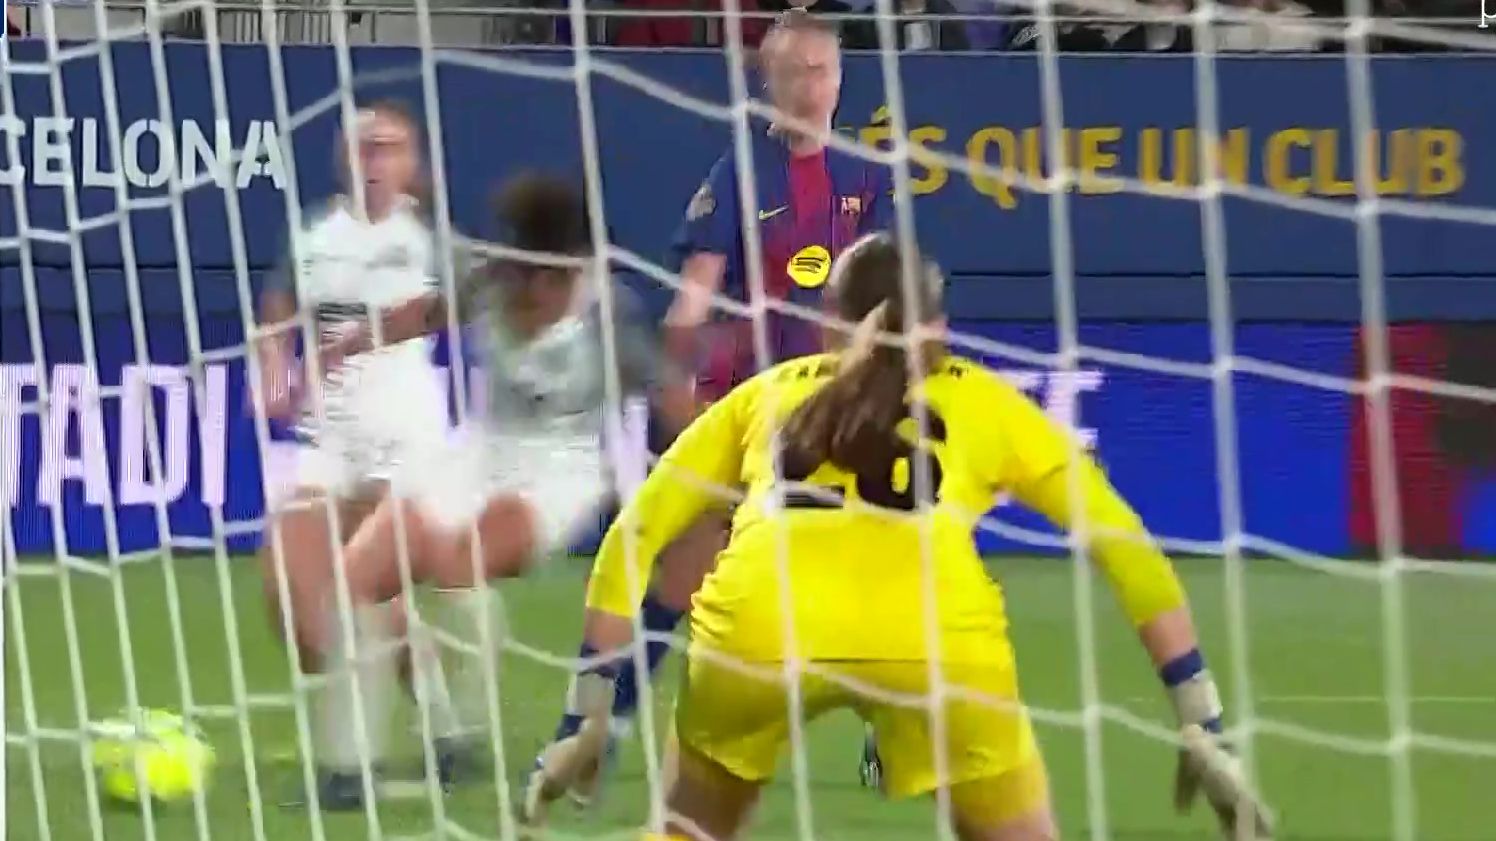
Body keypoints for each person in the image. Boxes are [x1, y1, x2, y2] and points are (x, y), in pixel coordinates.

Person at [560, 233, 1274, 840]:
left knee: (686, 830)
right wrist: (1200, 716)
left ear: (826, 320)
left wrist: (587, 712)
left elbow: (633, 534)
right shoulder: (986, 401)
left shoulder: (765, 395)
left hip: (758, 631)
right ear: (939, 326)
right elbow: (1124, 545)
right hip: (933, 640)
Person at [531, 6, 896, 808]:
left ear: (840, 80)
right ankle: (588, 732)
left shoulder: (869, 179)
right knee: (677, 573)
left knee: (874, 571)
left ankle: (893, 730)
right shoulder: (739, 173)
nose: (806, 87)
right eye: (790, 72)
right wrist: (680, 395)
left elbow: (881, 300)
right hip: (742, 408)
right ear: (765, 82)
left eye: (820, 71)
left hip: (832, 410)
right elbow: (692, 300)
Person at [309, 172, 696, 810]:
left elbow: (674, 401)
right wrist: (349, 345)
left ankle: (462, 730)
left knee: (455, 565)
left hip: (560, 471)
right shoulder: (491, 279)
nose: (530, 292)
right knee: (358, 575)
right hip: (482, 449)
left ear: (571, 269)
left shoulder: (611, 315)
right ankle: (349, 768)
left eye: (546, 279)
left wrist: (715, 475)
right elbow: (427, 312)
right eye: (521, 275)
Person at [253, 100, 479, 804]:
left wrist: (360, 339)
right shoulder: (315, 234)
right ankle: (443, 724)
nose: (375, 159)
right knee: (291, 591)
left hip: (404, 430)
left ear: (412, 161)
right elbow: (278, 309)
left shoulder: (429, 237)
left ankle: (348, 770)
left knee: (364, 587)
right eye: (364, 146)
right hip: (328, 434)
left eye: (389, 147)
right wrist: (274, 369)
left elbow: (460, 303)